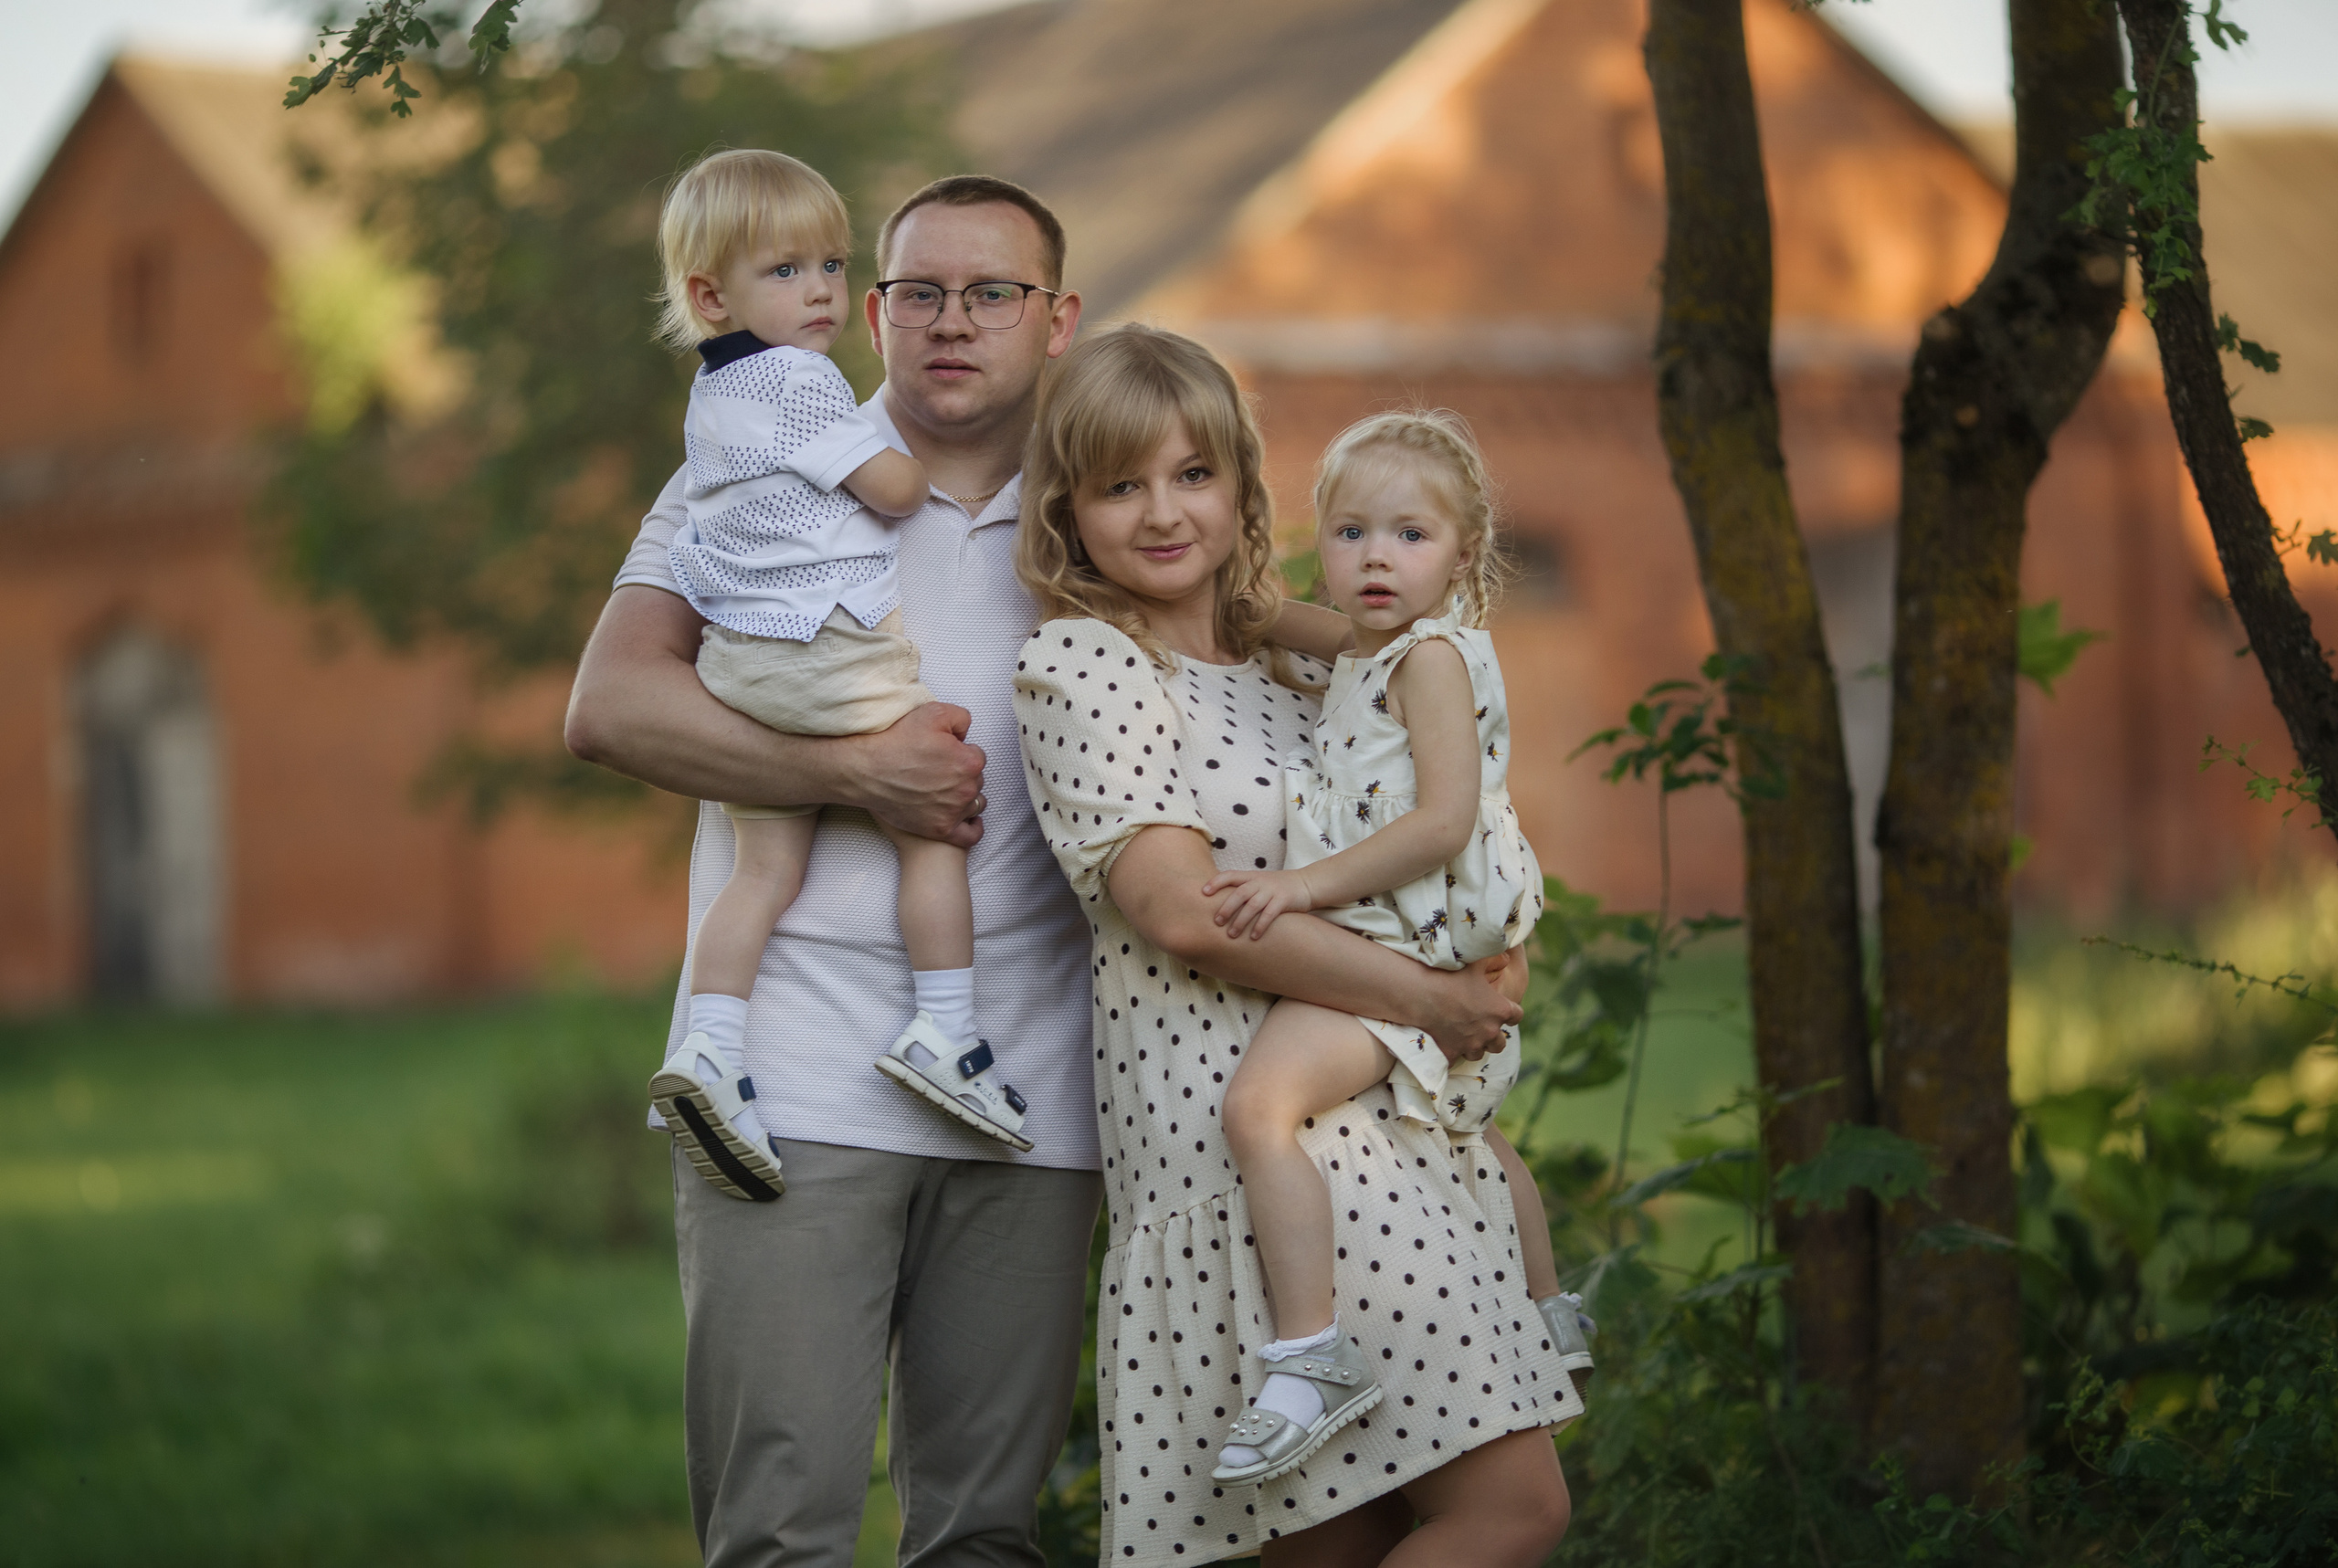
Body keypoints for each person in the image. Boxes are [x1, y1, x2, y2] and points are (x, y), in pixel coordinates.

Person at [565, 175, 1108, 1568]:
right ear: (870, 312)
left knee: (984, 1538)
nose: (952, 321)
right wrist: (855, 774)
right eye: (920, 291)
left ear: (1059, 320)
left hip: (1034, 1094)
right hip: (790, 1084)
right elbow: (612, 707)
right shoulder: (758, 464)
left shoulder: (1115, 507)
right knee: (781, 1539)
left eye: (993, 293)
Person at [1013, 324, 1578, 1568]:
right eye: (1120, 485)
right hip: (1241, 1138)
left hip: (1372, 1124)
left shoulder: (1299, 666)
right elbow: (1184, 912)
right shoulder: (1087, 664)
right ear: (1068, 509)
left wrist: (1480, 961)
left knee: (1358, 1536)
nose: (1164, 514)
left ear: (1242, 486)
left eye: (1193, 475)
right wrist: (1430, 999)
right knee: (1506, 1510)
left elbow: (1446, 802)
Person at [1194, 409, 1596, 1483]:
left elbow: (1442, 820)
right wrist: (1222, 595)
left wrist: (1297, 890)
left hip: (1399, 943)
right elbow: (1285, 622)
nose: (1376, 556)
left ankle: (1311, 1348)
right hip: (1422, 944)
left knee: (1256, 1108)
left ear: (1464, 554)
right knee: (1469, 1127)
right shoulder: (1380, 643)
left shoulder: (1429, 663)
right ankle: (1549, 1311)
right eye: (1350, 532)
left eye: (1410, 536)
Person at [644, 149, 1033, 1204]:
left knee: (759, 873)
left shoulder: (712, 398)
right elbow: (895, 488)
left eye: (826, 263)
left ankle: (712, 1047)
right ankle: (947, 1029)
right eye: (788, 272)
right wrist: (869, 768)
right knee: (933, 807)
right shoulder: (807, 386)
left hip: (742, 662)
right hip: (829, 647)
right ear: (709, 293)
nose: (814, 289)